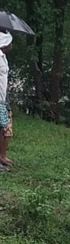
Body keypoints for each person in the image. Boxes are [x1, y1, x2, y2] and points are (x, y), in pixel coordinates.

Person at [0, 31, 13, 170]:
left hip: (2, 99)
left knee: (2, 128)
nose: (11, 45)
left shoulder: (3, 57)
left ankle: (1, 157)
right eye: (10, 42)